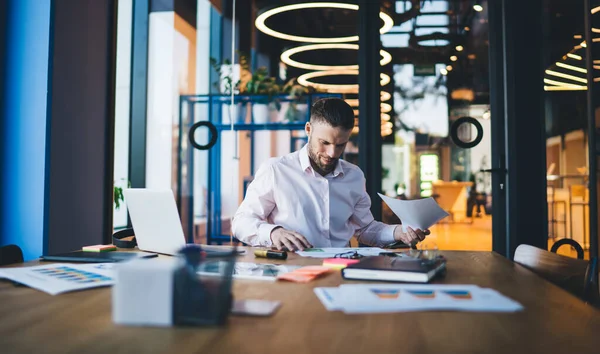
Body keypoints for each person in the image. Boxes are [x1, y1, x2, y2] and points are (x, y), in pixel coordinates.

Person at [231, 98, 429, 251]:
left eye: (340, 144)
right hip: (292, 271)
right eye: (324, 143)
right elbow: (241, 222)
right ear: (308, 129)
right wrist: (273, 232)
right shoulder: (276, 170)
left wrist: (399, 232)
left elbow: (365, 229)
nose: (332, 153)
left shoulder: (355, 176)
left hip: (341, 271)